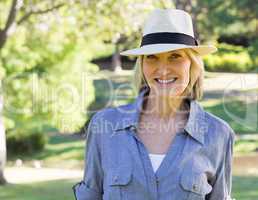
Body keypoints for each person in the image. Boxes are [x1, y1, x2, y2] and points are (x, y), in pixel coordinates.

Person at [73, 8, 235, 200]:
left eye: (175, 56)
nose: (163, 69)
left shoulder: (218, 134)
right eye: (152, 57)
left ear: (192, 64)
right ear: (141, 65)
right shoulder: (104, 127)